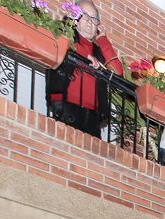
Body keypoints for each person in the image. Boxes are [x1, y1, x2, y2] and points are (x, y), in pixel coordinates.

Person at [46, 0, 124, 137]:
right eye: (85, 15)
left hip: (93, 118)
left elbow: (118, 71)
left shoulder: (98, 52)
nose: (89, 21)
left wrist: (103, 40)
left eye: (94, 18)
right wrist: (87, 55)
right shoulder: (65, 32)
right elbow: (65, 42)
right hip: (66, 108)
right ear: (75, 17)